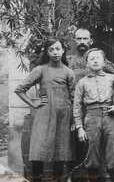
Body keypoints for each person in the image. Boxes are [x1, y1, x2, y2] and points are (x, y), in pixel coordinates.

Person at [15, 38, 75, 182]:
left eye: (58, 49)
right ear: (47, 52)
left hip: (63, 117)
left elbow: (73, 98)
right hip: (44, 116)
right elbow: (20, 89)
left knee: (60, 154)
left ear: (63, 50)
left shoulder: (68, 72)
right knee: (39, 151)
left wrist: (73, 119)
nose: (55, 52)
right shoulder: (40, 69)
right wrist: (33, 103)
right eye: (51, 49)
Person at [73, 48, 114, 182]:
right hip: (91, 117)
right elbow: (77, 106)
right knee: (92, 153)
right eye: (91, 58)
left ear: (104, 62)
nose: (94, 61)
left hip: (111, 117)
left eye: (97, 58)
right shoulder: (82, 82)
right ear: (86, 63)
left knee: (113, 153)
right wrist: (79, 127)